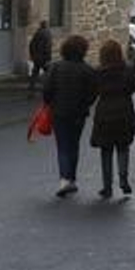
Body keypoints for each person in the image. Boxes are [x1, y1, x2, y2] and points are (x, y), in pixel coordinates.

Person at [42, 34, 96, 198]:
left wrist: (50, 102)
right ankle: (71, 178)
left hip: (59, 112)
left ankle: (65, 179)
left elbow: (47, 89)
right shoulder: (87, 70)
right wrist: (85, 104)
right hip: (79, 113)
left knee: (63, 146)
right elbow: (93, 93)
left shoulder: (56, 67)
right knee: (74, 145)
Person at [89, 39, 135, 199]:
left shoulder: (98, 72)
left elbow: (94, 92)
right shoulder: (128, 70)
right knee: (123, 148)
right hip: (124, 112)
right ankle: (124, 181)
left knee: (106, 150)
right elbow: (132, 89)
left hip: (105, 113)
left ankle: (107, 186)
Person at [28, 20, 52, 86]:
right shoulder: (47, 33)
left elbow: (31, 44)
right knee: (48, 71)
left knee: (35, 70)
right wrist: (48, 57)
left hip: (37, 56)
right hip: (43, 56)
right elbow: (48, 46)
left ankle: (31, 85)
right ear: (46, 25)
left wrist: (32, 54)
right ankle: (48, 85)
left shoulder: (37, 33)